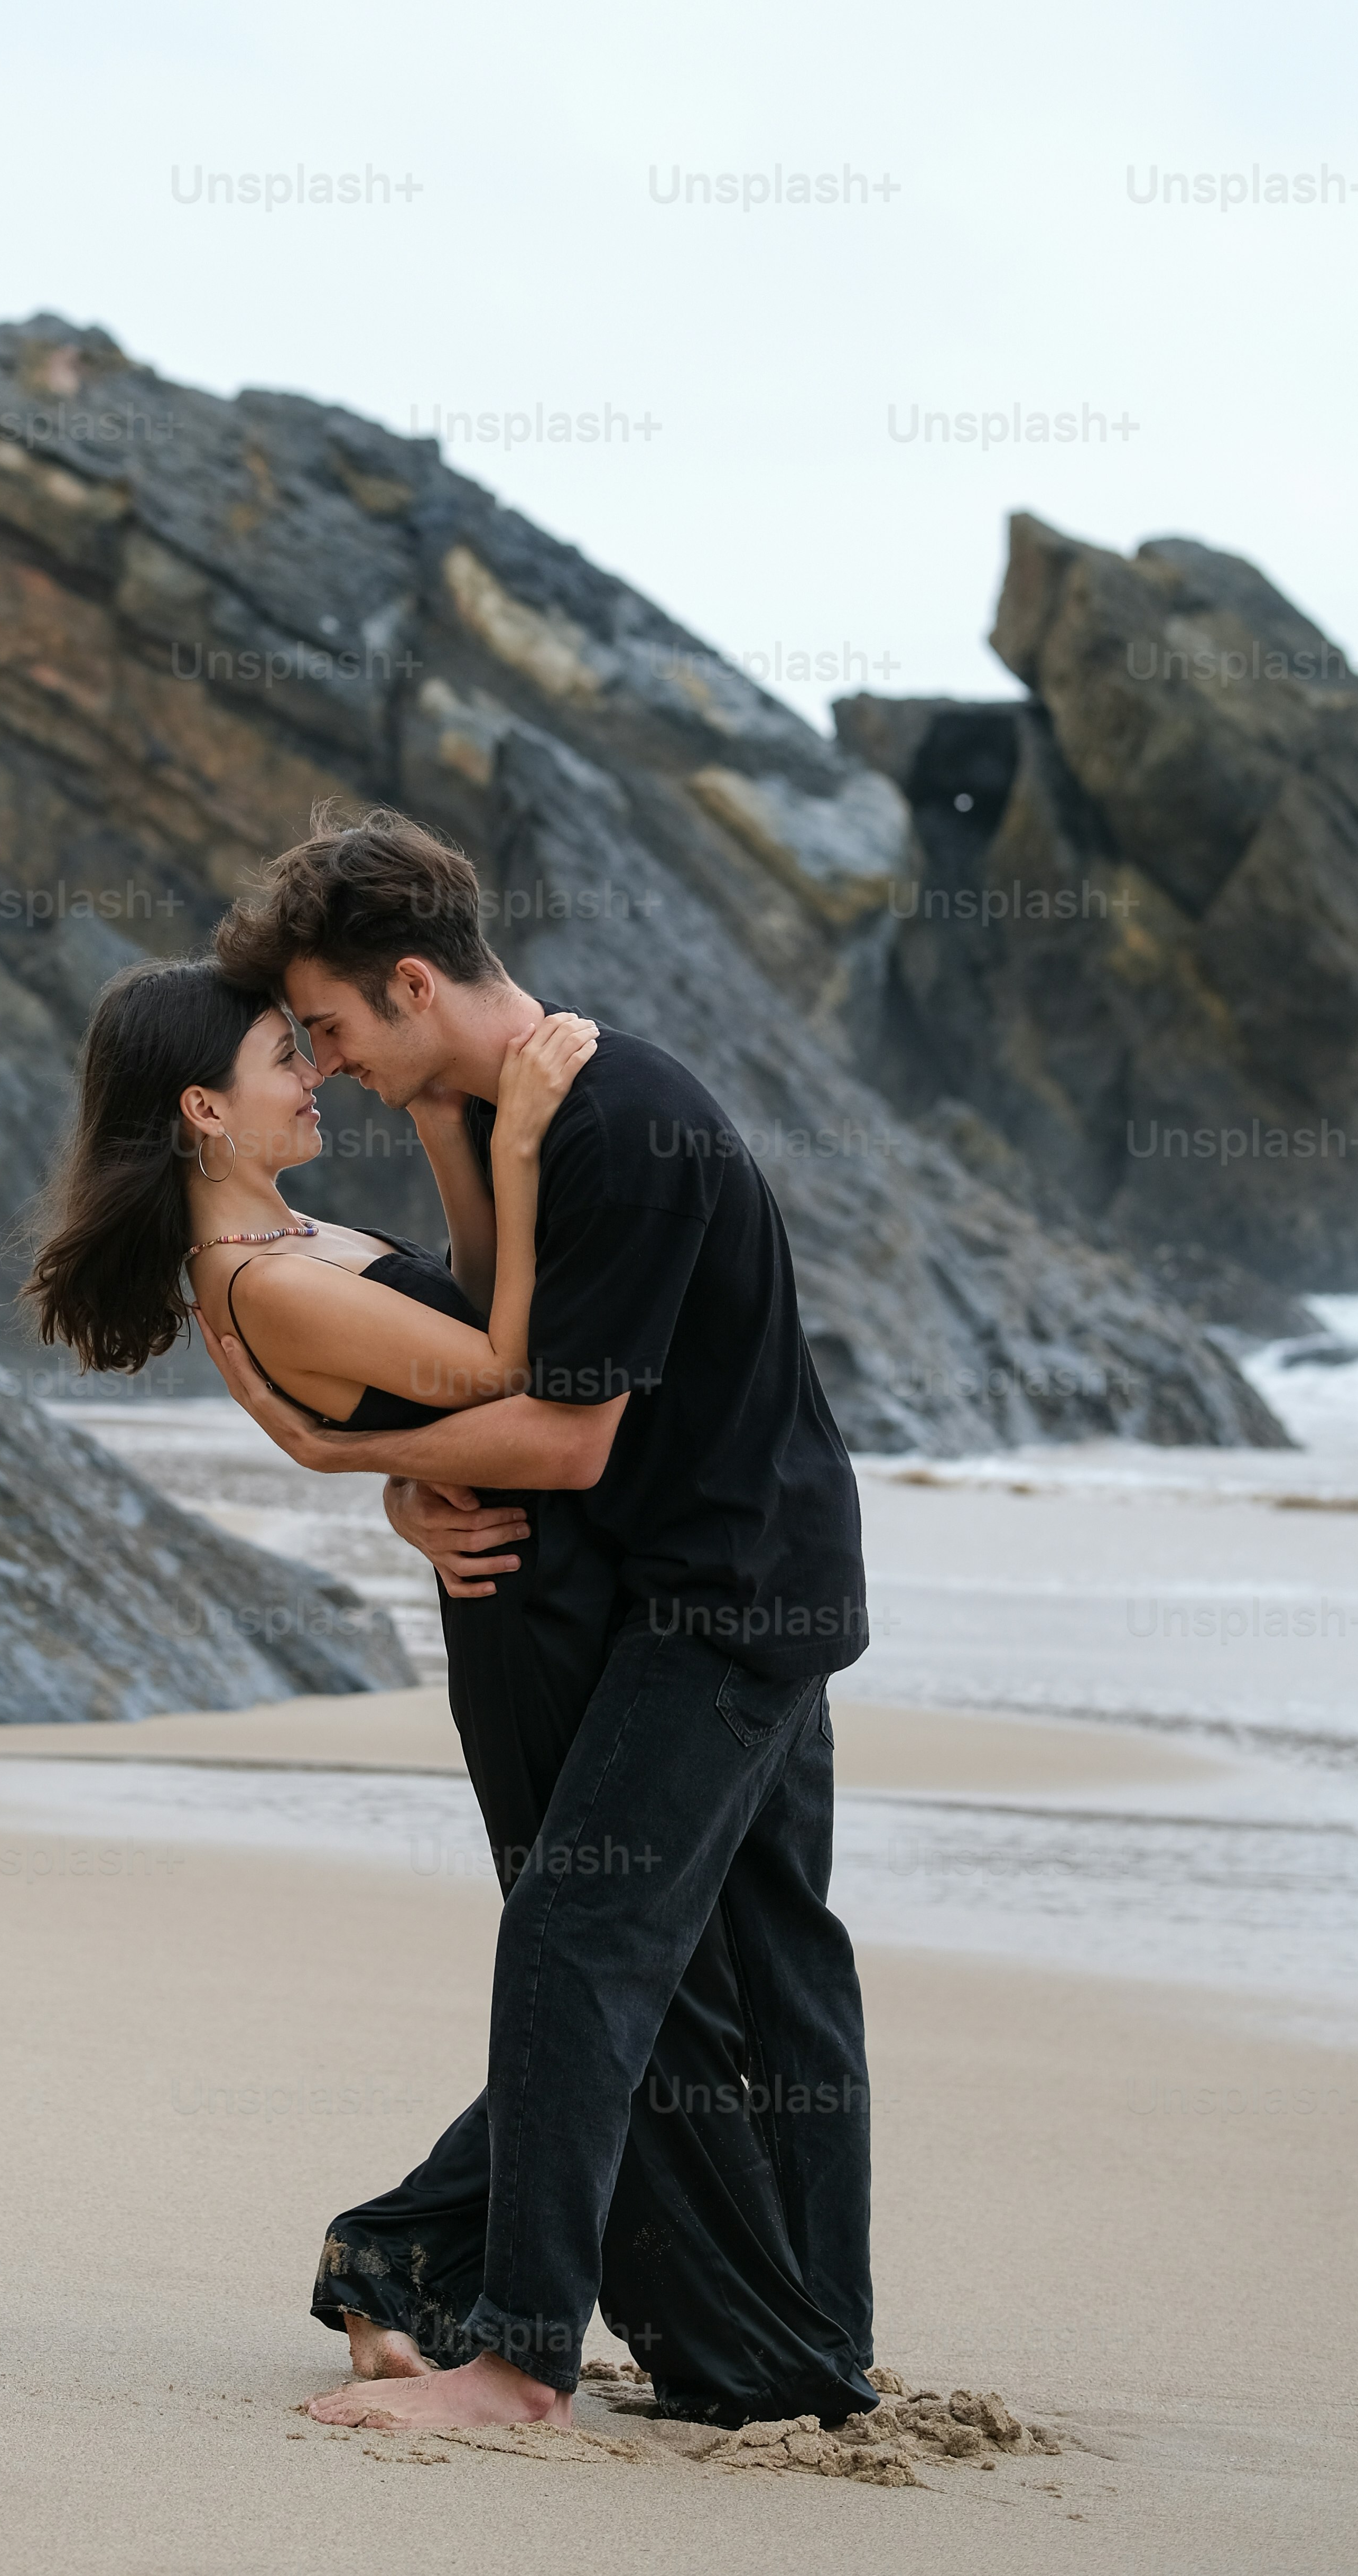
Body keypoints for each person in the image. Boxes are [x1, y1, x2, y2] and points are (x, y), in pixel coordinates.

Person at [202, 807, 878, 2436]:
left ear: (417, 980)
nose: (331, 1061)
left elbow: (563, 1437)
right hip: (742, 1572)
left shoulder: (613, 1118)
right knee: (778, 1965)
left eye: (340, 1028)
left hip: (722, 1596)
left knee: (584, 1936)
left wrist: (340, 1450)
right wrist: (408, 1485)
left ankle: (514, 2356)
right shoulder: (533, 1112)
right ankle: (808, 2345)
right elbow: (505, 1345)